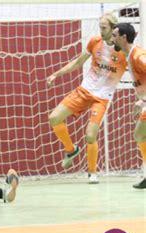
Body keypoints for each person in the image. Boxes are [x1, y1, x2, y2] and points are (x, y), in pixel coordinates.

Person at [46, 13, 127, 184]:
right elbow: (78, 63)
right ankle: (70, 150)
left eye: (104, 27)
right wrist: (56, 74)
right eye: (100, 27)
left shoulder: (125, 51)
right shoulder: (95, 42)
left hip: (102, 98)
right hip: (84, 90)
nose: (101, 30)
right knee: (54, 118)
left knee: (90, 135)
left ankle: (92, 172)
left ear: (114, 29)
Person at [111, 23, 146, 189]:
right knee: (139, 134)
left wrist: (143, 101)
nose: (112, 39)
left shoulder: (138, 56)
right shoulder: (129, 55)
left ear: (123, 37)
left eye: (114, 35)